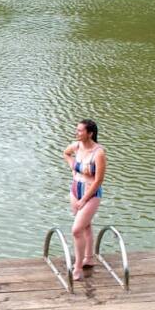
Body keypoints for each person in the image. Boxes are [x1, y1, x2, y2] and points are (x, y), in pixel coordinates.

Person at [61, 118, 105, 281]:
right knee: (85, 226)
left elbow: (99, 180)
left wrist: (84, 199)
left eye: (80, 130)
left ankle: (78, 267)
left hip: (91, 193)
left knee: (76, 230)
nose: (76, 132)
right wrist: (73, 167)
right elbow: (66, 153)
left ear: (90, 133)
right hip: (75, 190)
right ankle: (88, 258)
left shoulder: (98, 153)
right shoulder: (76, 146)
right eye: (77, 130)